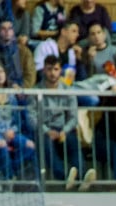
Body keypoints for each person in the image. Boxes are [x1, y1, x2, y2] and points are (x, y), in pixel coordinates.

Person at [32, 54, 96, 189]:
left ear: (60, 70)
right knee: (46, 144)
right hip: (44, 130)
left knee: (73, 141)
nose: (52, 73)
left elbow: (73, 116)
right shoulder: (36, 91)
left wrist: (64, 131)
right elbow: (32, 117)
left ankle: (82, 176)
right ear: (44, 70)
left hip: (63, 129)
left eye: (55, 69)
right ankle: (64, 176)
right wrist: (46, 130)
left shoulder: (68, 90)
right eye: (49, 69)